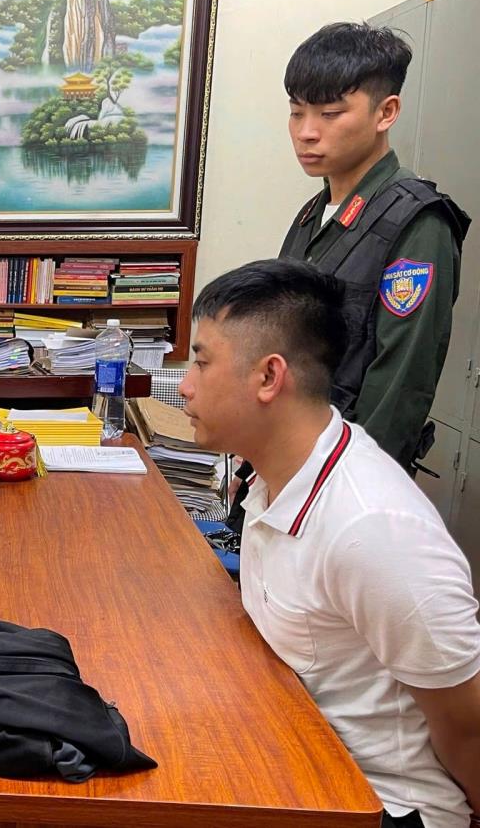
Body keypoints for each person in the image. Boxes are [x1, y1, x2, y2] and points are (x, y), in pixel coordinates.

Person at [180, 259, 480, 828]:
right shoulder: (275, 475)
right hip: (300, 755)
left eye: (202, 361)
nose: (186, 385)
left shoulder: (373, 528)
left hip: (381, 804)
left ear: (269, 377)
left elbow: (468, 726)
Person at [279, 21, 469, 472]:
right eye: (297, 112)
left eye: (330, 114)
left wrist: (350, 485)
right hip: (290, 456)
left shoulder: (417, 221)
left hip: (343, 475)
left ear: (386, 112)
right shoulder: (313, 214)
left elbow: (401, 382)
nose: (306, 132)